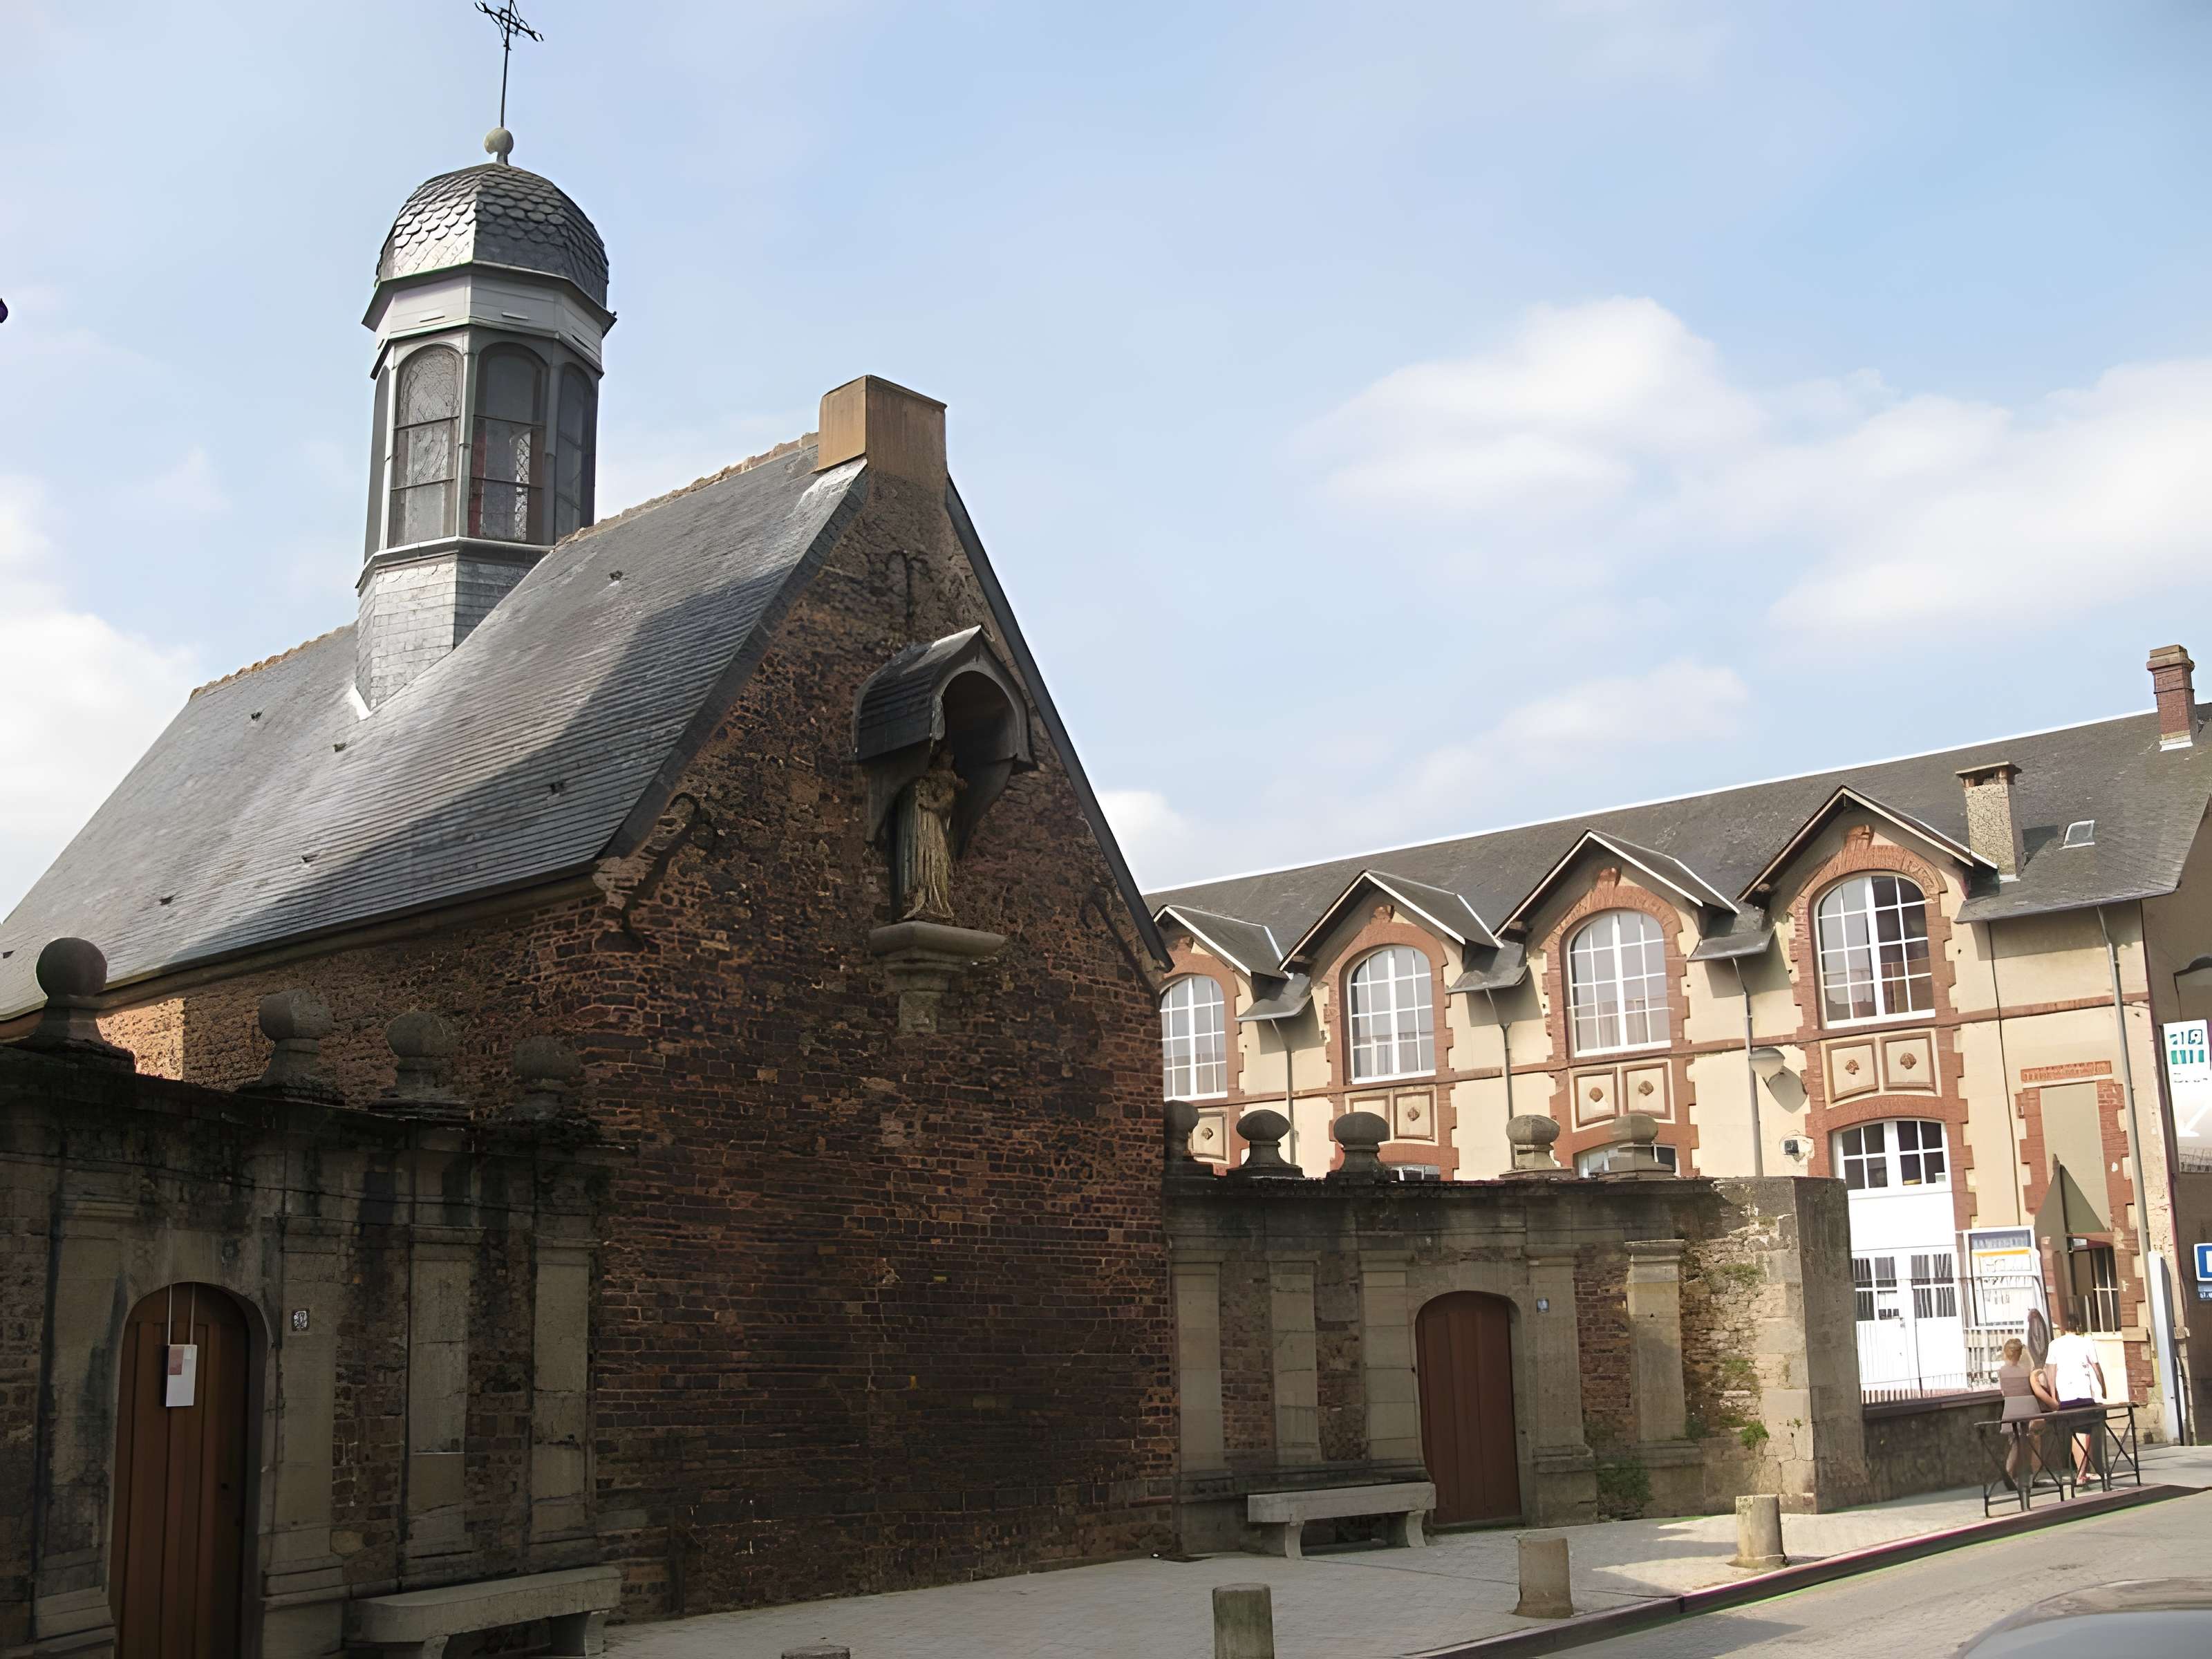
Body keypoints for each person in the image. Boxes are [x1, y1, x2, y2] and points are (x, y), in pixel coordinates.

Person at [2044, 1310, 2108, 1481]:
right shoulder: (2085, 1342)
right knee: (2085, 1432)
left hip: (2065, 1394)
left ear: (2064, 1327)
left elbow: (2051, 1370)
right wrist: (2103, 1387)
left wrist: (2053, 1394)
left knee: (2076, 1433)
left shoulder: (2054, 1344)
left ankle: (2083, 1471)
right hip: (2083, 1392)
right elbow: (2096, 1366)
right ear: (2078, 1326)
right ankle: (2082, 1473)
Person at [1996, 1336, 2057, 1490]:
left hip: (2011, 1407)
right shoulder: (2026, 1370)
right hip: (2029, 1407)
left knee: (2015, 1443)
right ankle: (2028, 1476)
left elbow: (2003, 1390)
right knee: (2031, 1443)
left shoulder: (2002, 1371)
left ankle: (2012, 1475)